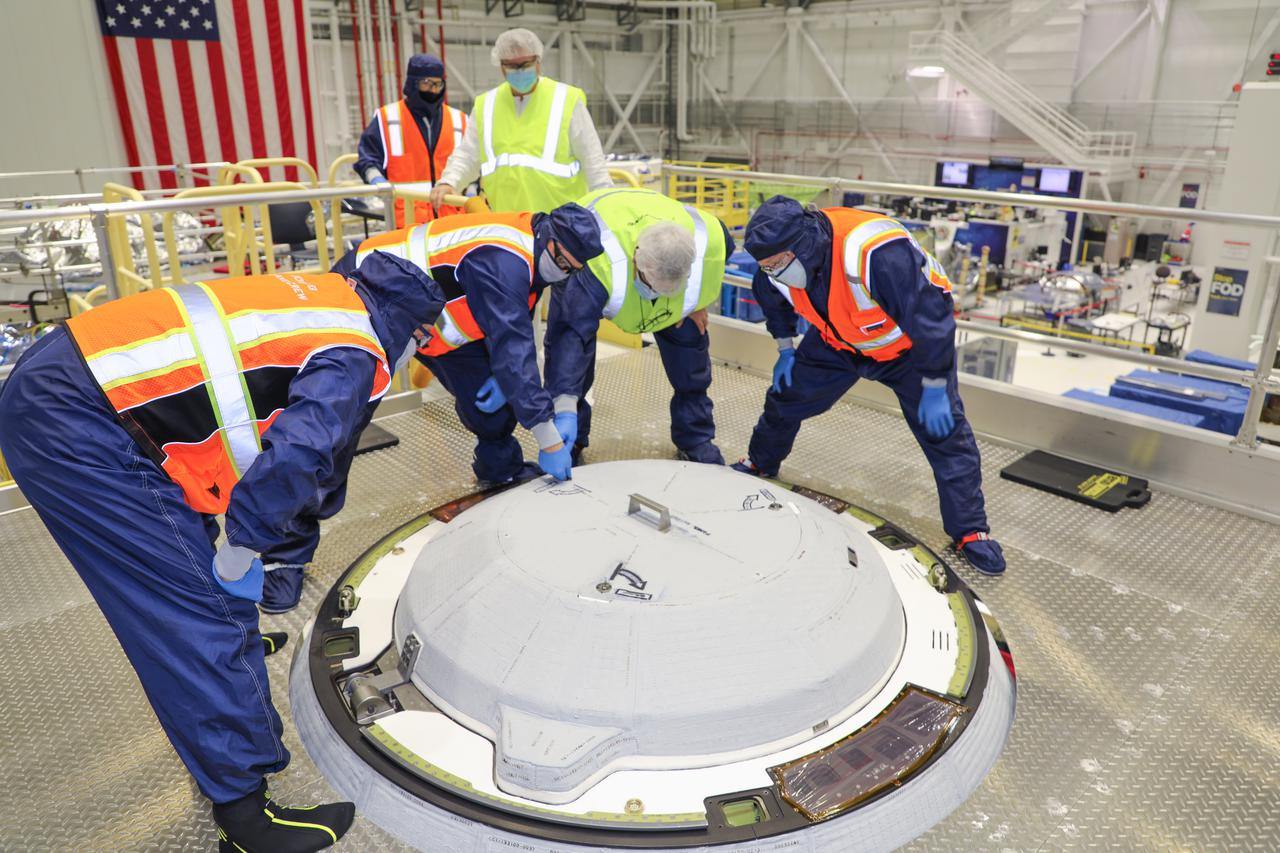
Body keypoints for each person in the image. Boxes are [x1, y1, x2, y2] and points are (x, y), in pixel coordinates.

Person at [0, 255, 444, 852]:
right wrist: (245, 545)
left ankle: (229, 662)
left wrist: (259, 544)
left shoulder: (326, 295)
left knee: (199, 577)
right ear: (409, 327)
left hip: (72, 377)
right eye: (421, 338)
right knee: (197, 611)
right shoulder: (357, 352)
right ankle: (244, 817)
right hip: (76, 421)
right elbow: (300, 454)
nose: (418, 350)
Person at [734, 196, 1006, 576]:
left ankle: (970, 530)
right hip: (837, 342)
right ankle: (761, 461)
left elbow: (931, 321)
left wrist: (932, 385)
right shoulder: (775, 266)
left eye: (777, 265)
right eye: (766, 267)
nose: (772, 273)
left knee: (943, 431)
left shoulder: (875, 254)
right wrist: (785, 349)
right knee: (785, 398)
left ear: (804, 246)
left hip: (907, 350)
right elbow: (771, 297)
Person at [335, 202, 604, 485]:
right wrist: (549, 441)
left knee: (495, 407)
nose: (564, 273)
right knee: (346, 409)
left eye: (573, 270)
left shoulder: (536, 254)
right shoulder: (505, 259)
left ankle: (502, 472)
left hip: (433, 323)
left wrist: (506, 379)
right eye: (562, 263)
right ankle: (305, 504)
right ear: (548, 238)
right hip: (372, 291)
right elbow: (512, 345)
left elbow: (509, 332)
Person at [544, 187, 732, 465]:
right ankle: (571, 438)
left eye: (669, 289)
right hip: (591, 260)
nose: (656, 295)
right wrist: (564, 407)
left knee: (691, 352)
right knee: (572, 362)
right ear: (637, 261)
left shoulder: (711, 241)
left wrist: (697, 303)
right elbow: (570, 339)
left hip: (662, 249)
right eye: (651, 286)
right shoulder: (593, 265)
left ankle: (695, 438)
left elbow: (714, 263)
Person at [429, 28, 611, 213]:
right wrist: (448, 181)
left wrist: (607, 207)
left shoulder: (566, 99)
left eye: (526, 64)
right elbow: (468, 154)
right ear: (501, 66)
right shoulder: (486, 105)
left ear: (538, 62)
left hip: (559, 224)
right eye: (512, 66)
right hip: (506, 224)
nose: (520, 71)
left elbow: (593, 160)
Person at [354, 53, 467, 227]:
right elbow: (368, 161)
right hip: (407, 223)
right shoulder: (388, 118)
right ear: (413, 83)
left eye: (438, 84)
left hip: (454, 222)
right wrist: (379, 184)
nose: (433, 90)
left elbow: (473, 164)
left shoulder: (459, 120)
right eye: (427, 84)